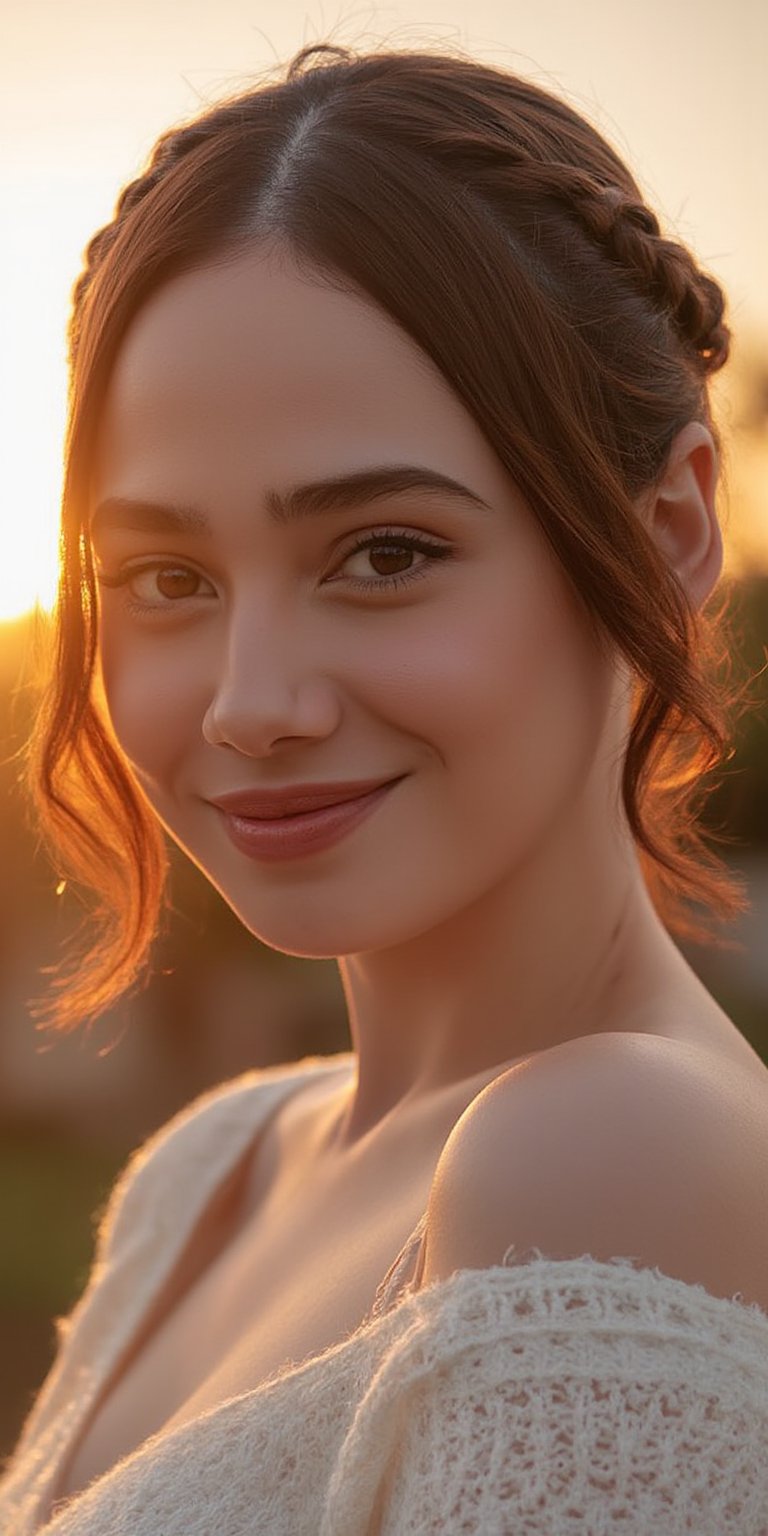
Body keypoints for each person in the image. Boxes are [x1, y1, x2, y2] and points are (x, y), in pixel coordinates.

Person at [2, 37, 767, 1536]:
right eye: (166, 576)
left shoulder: (622, 1152)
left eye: (387, 554)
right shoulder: (208, 1176)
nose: (252, 703)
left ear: (673, 530)